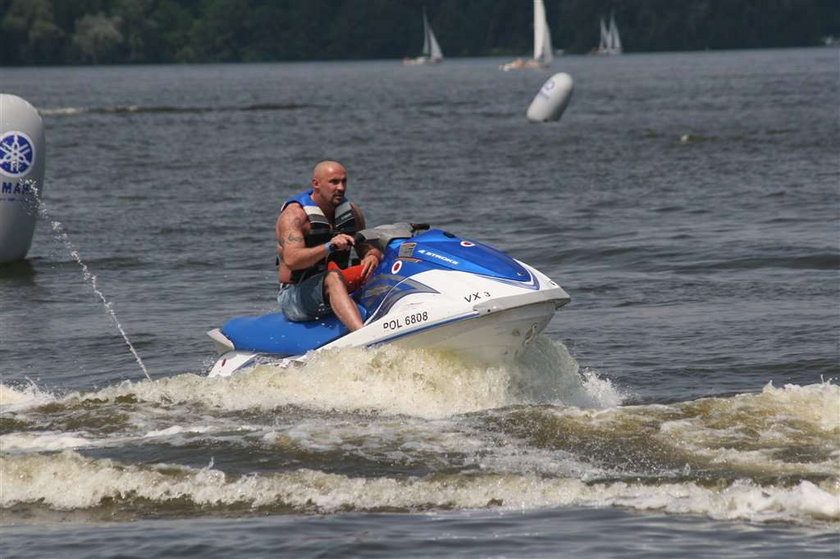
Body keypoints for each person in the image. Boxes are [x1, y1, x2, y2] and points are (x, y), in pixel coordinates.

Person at [275, 160, 382, 331]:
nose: (340, 187)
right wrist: (329, 247)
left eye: (344, 181)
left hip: (338, 284)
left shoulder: (352, 212)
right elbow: (292, 260)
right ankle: (363, 335)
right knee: (332, 278)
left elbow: (365, 246)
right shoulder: (295, 216)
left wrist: (371, 255)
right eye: (334, 182)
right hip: (295, 296)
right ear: (316, 184)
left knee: (385, 262)